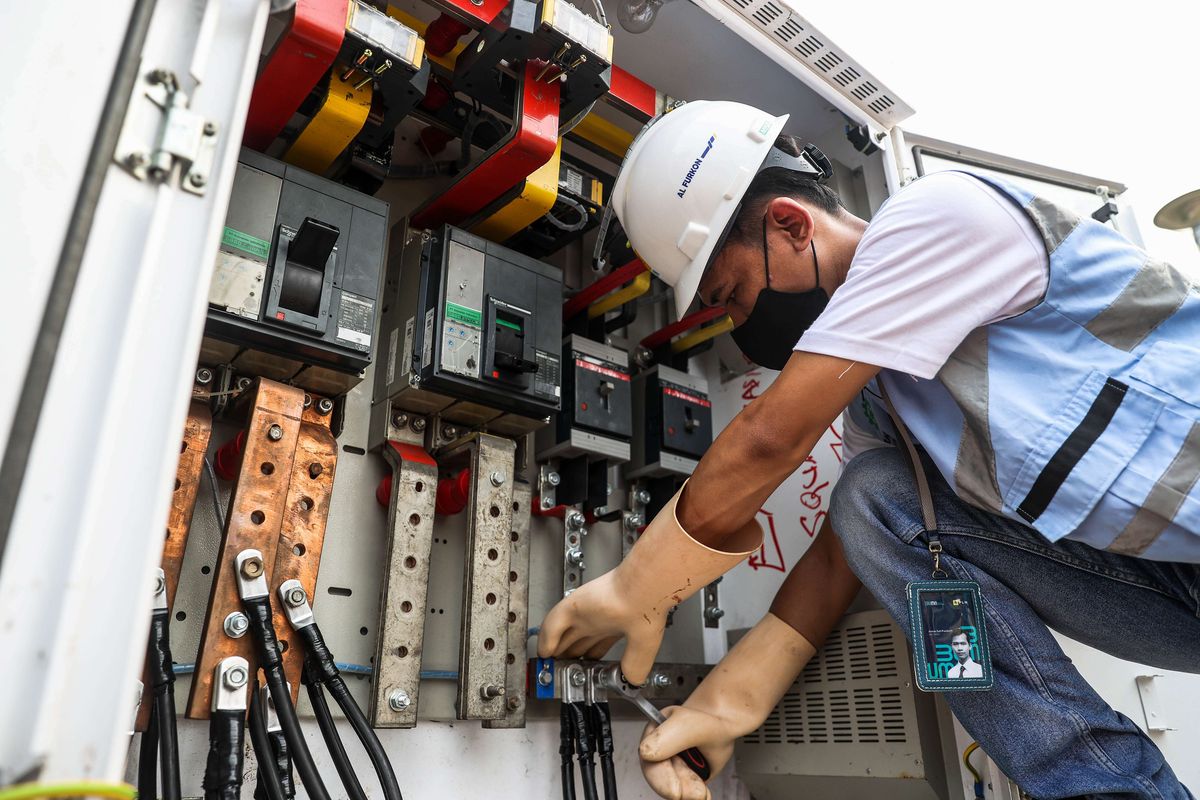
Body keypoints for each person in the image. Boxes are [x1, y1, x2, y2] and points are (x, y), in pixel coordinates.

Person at [537, 100, 1200, 800]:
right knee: (873, 500)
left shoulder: (938, 219)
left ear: (790, 224)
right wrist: (730, 700)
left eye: (731, 295)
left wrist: (638, 586)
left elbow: (771, 439)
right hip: (1170, 591)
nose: (737, 326)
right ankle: (1106, 789)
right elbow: (845, 552)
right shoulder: (884, 401)